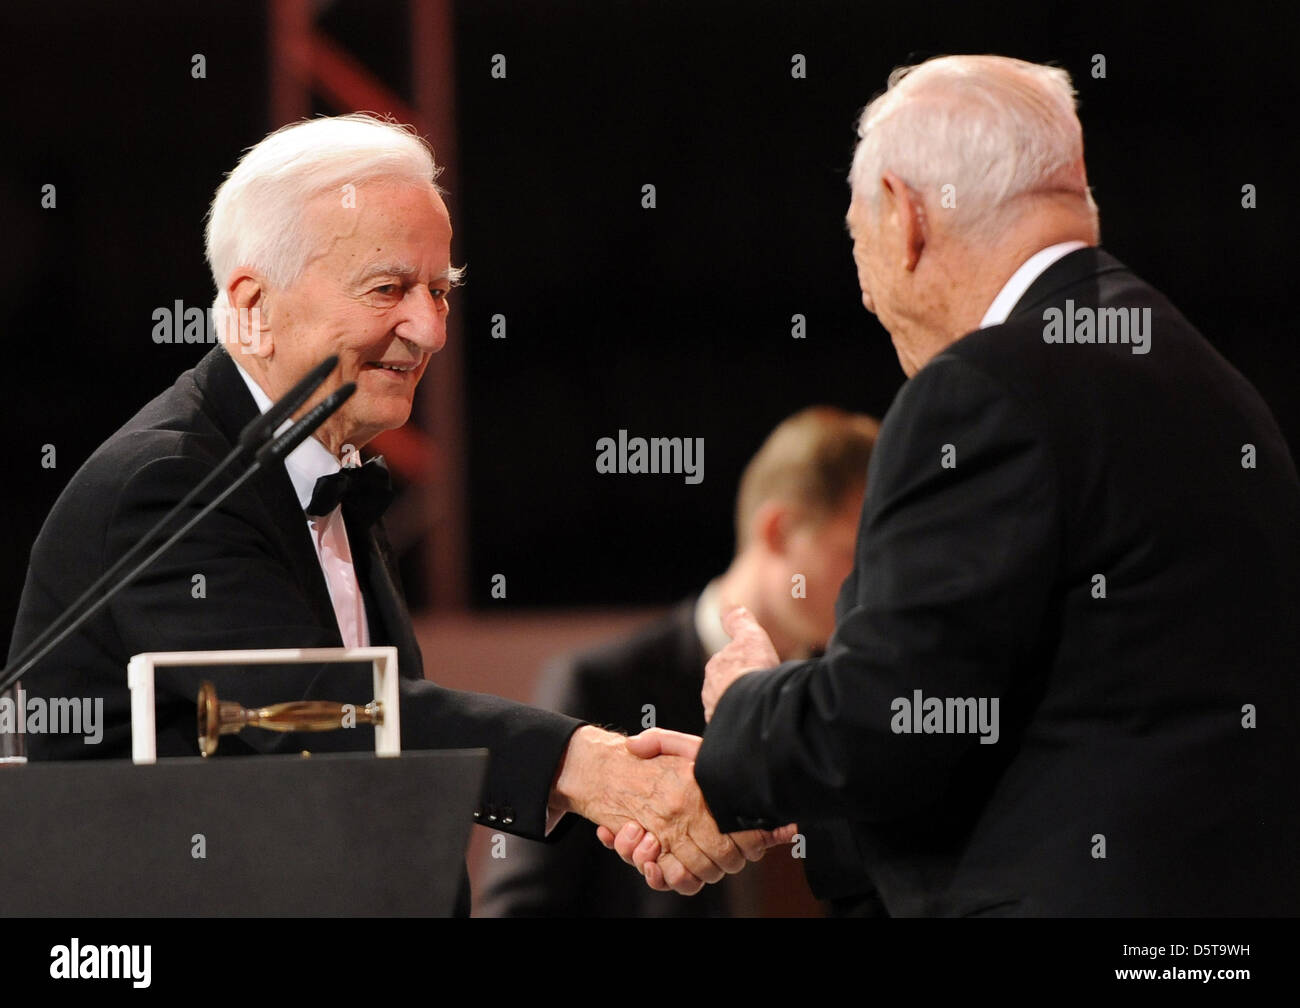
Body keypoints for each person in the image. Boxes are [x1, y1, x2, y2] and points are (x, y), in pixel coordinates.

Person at [5, 114, 787, 905]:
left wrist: (650, 789)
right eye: (388, 289)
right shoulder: (169, 483)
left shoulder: (323, 468)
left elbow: (374, 763)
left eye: (440, 291)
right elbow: (312, 719)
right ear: (252, 304)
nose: (429, 329)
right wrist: (592, 768)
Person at [611, 54, 1300, 914]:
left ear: (903, 218)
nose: (864, 289)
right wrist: (789, 815)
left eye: (857, 237)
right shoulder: (1206, 381)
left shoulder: (988, 389)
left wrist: (748, 706)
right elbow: (1011, 722)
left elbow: (891, 717)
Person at [478, 406, 878, 916]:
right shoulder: (600, 684)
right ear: (778, 530)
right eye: (852, 554)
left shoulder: (844, 695)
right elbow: (518, 909)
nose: (870, 582)